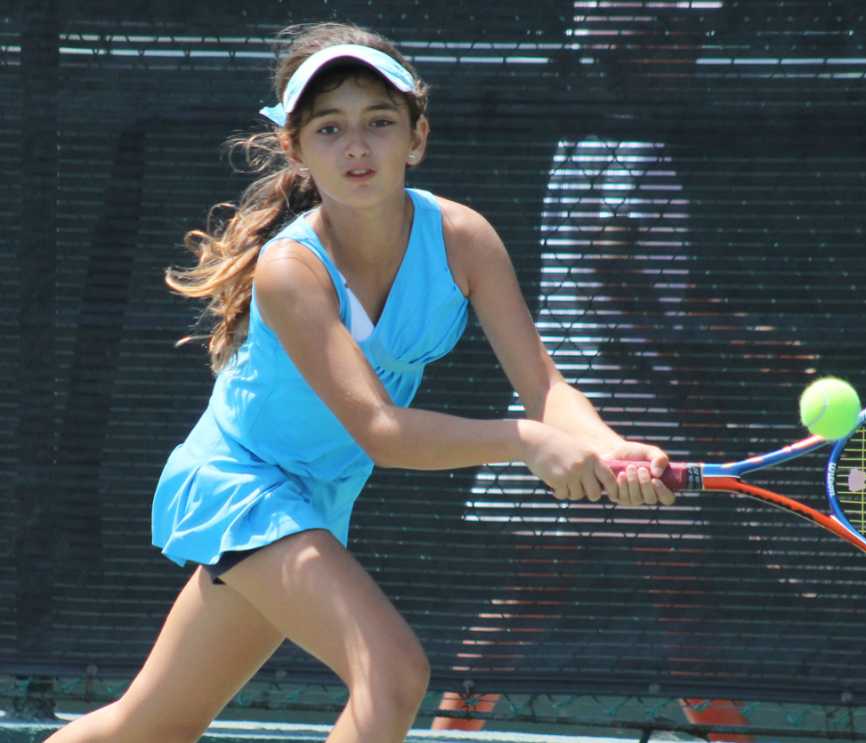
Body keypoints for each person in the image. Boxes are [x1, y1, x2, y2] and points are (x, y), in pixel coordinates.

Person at [42, 21, 674, 743]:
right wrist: (527, 443)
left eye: (379, 123)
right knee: (393, 670)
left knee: (150, 724)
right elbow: (381, 431)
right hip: (242, 482)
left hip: (317, 497)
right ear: (298, 149)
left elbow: (547, 387)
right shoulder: (291, 271)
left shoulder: (464, 239)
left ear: (417, 136)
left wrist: (610, 445)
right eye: (330, 128)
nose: (356, 147)